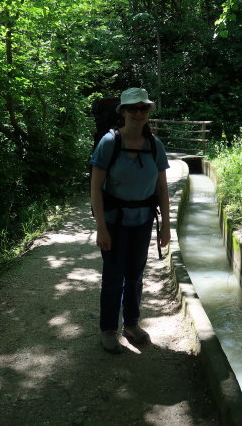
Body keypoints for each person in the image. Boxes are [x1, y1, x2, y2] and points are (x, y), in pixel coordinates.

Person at [89, 87, 171, 354]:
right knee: (113, 277)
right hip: (114, 222)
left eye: (143, 108)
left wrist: (167, 226)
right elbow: (95, 187)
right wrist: (101, 227)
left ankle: (132, 324)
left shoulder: (154, 145)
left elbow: (162, 189)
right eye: (132, 108)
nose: (138, 113)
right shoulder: (109, 143)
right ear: (122, 111)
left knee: (135, 275)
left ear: (148, 111)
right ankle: (108, 329)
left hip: (143, 221)